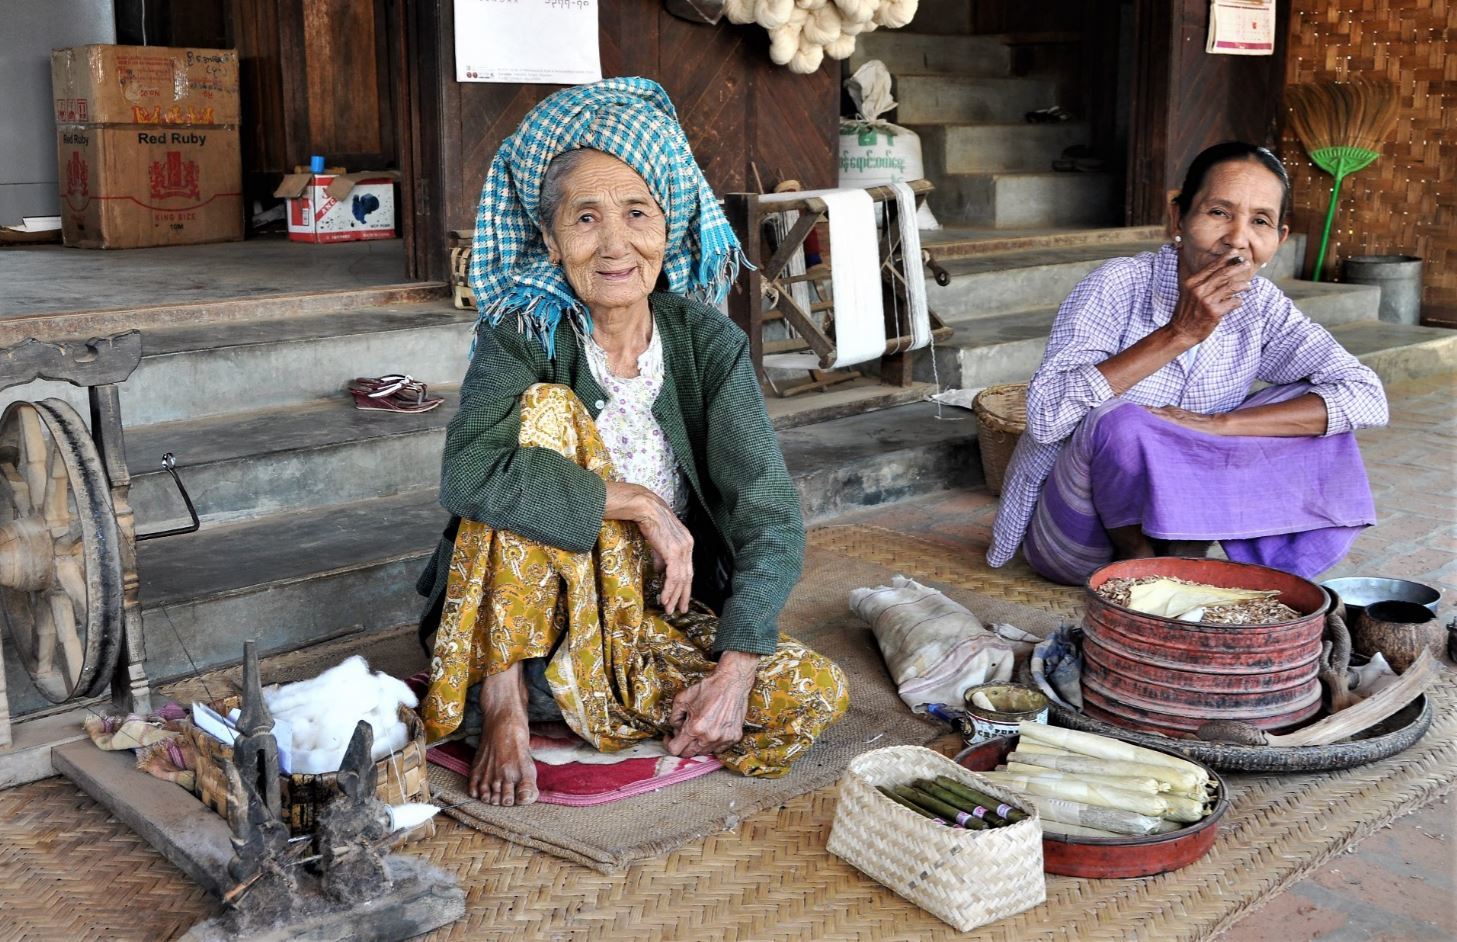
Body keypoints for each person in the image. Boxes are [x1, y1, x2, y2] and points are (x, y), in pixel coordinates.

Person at [415, 77, 849, 806]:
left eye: (636, 212)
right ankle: (504, 704)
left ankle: (595, 704)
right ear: (551, 241)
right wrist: (638, 503)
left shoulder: (702, 340)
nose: (614, 244)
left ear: (668, 226)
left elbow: (766, 509)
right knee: (548, 417)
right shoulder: (522, 329)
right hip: (530, 619)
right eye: (585, 219)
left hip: (652, 618)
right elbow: (469, 475)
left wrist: (736, 669)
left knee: (813, 691)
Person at [989, 141, 1388, 585]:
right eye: (1219, 212)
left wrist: (1220, 424)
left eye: (1260, 221)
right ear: (1178, 218)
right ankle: (1142, 572)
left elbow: (1366, 396)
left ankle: (1226, 567)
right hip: (1080, 535)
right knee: (1122, 421)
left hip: (1187, 526)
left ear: (1279, 239)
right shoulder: (1118, 284)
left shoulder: (1262, 306)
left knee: (1317, 413)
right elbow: (1044, 419)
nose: (1238, 239)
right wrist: (1178, 333)